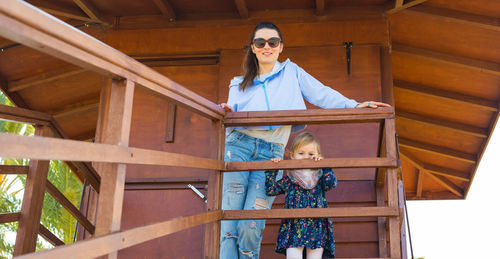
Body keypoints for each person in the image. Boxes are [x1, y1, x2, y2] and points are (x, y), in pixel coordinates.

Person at [219, 22, 390, 259]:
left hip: (273, 153)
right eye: (260, 42)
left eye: (273, 42)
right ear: (253, 48)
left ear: (280, 47)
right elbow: (232, 115)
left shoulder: (292, 72)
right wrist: (225, 111)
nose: (267, 46)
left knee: (251, 221)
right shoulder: (238, 83)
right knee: (229, 221)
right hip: (238, 147)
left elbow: (321, 93)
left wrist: (353, 105)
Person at [265, 131, 336, 259]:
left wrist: (324, 166)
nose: (306, 157)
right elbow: (271, 190)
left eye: (311, 154)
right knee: (293, 256)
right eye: (301, 153)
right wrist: (272, 169)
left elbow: (331, 183)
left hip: (316, 225)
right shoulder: (290, 179)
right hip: (294, 226)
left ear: (318, 156)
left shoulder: (320, 177)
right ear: (292, 156)